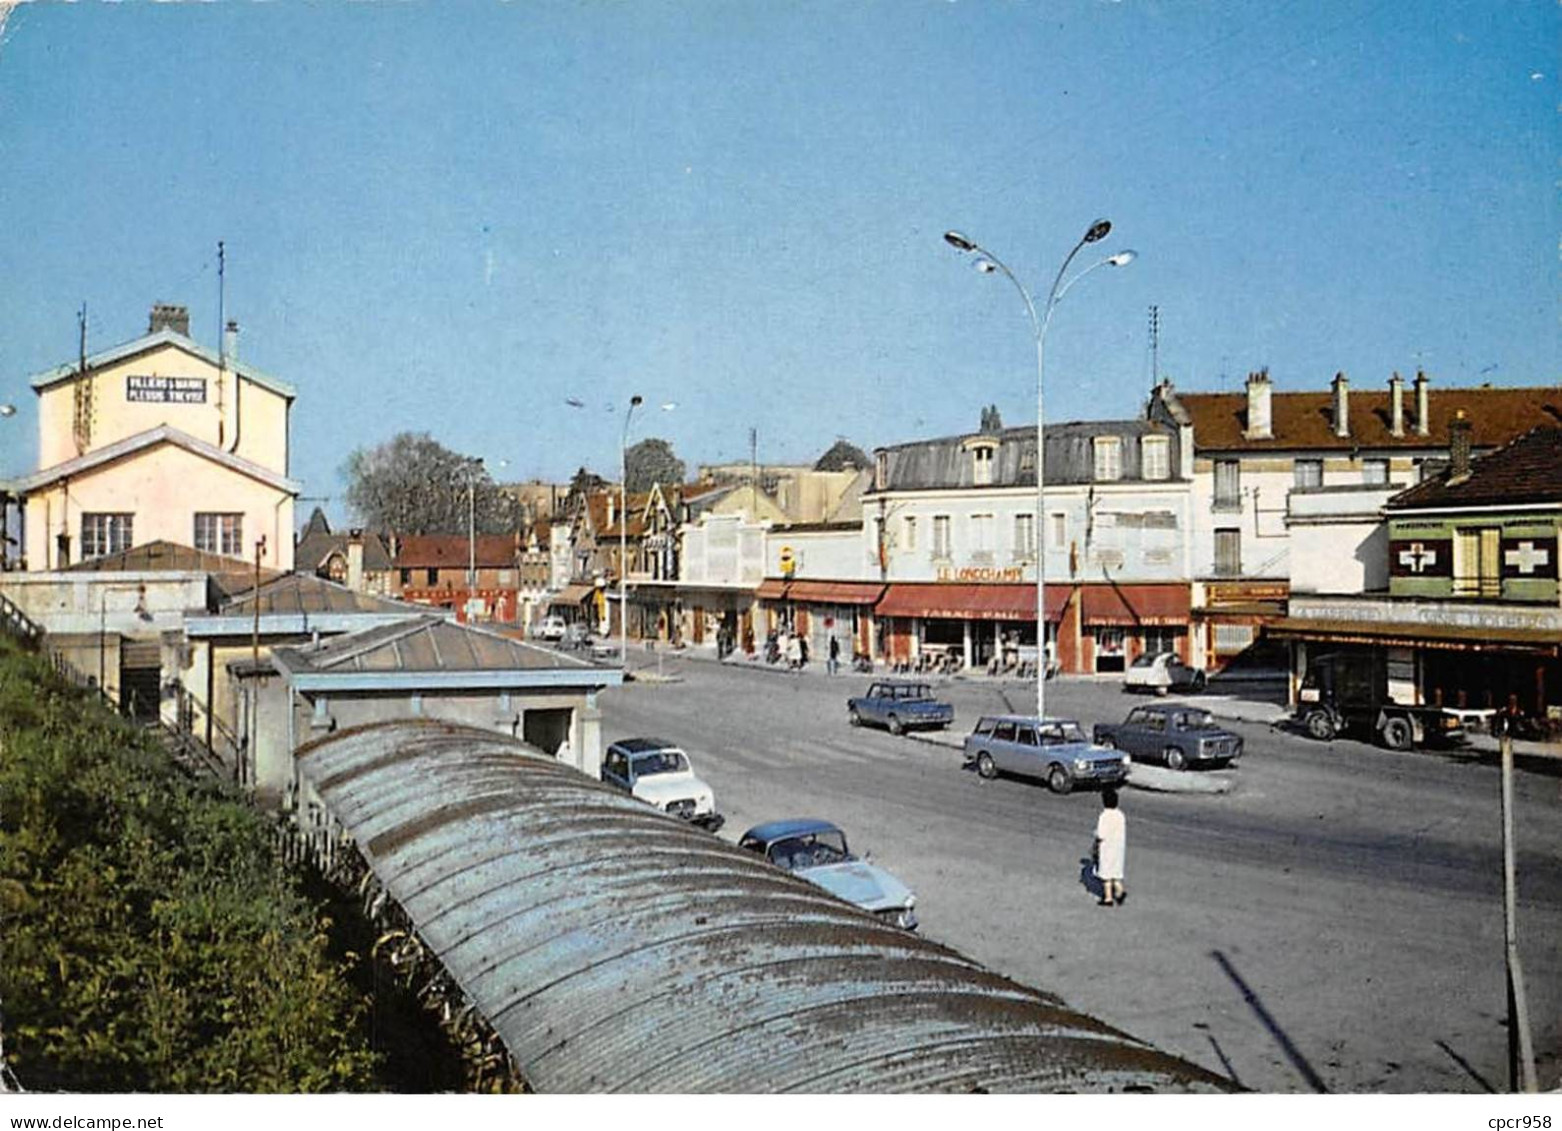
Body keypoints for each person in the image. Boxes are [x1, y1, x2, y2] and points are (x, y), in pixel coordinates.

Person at [1094, 787, 1127, 907]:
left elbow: (1101, 834)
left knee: (1106, 873)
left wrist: (1096, 841)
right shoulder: (1120, 815)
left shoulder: (1104, 816)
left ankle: (1108, 898)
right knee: (1116, 872)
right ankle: (1120, 891)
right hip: (1118, 847)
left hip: (1107, 848)